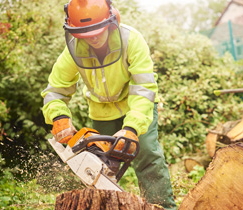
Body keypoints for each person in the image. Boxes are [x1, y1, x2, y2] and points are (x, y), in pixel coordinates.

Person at [41, 0, 177, 209]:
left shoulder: (131, 40)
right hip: (102, 111)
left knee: (147, 153)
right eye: (85, 33)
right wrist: (58, 117)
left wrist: (131, 129)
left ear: (112, 21)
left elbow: (144, 88)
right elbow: (55, 90)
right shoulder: (73, 50)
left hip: (136, 107)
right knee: (98, 163)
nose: (93, 37)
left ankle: (162, 207)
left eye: (97, 31)